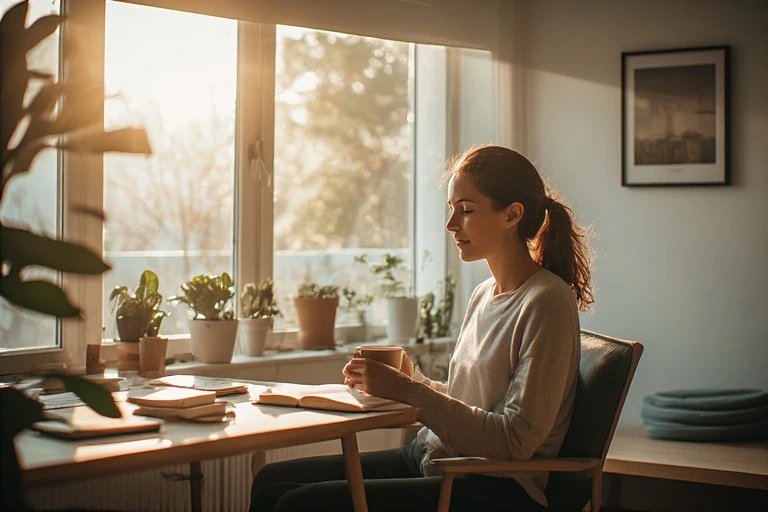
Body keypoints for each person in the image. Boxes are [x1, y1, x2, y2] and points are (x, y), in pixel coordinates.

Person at [249, 144, 594, 512]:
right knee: (270, 482)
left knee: (300, 505)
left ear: (512, 215)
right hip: (436, 457)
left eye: (466, 211)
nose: (451, 225)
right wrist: (411, 381)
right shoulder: (483, 294)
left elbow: (516, 439)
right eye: (451, 210)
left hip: (491, 484)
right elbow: (471, 401)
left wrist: (412, 394)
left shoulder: (547, 302)